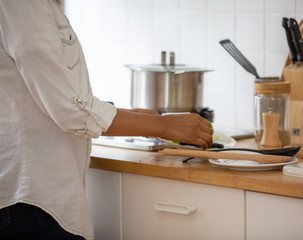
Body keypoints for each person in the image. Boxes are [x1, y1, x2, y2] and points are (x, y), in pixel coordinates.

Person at [0, 0, 213, 239]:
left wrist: (134, 118)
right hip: (31, 203)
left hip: (33, 201)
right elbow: (72, 110)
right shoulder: (26, 5)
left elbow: (43, 99)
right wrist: (163, 125)